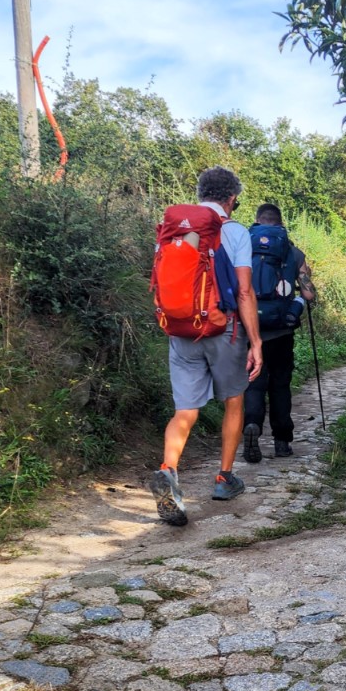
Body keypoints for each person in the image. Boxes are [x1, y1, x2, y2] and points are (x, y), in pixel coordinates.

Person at [145, 167, 262, 526]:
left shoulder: (171, 229)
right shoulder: (234, 231)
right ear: (232, 198)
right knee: (234, 400)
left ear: (200, 192)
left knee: (185, 410)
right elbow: (244, 291)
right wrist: (255, 342)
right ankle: (225, 477)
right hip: (222, 329)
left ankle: (168, 470)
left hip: (180, 329)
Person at [242, 203, 317, 463]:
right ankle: (282, 441)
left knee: (253, 382)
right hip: (282, 331)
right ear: (281, 223)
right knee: (280, 385)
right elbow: (308, 294)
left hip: (250, 330)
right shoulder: (294, 253)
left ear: (257, 220)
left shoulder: (243, 248)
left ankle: (251, 425)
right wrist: (301, 296)